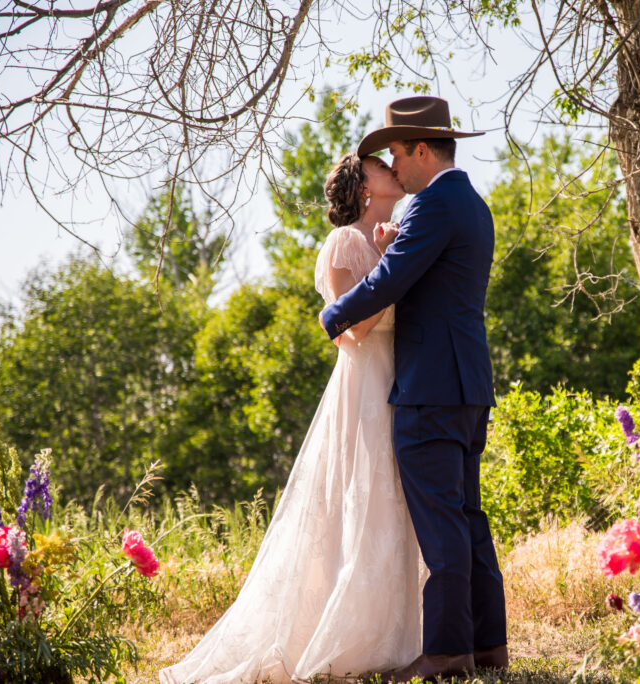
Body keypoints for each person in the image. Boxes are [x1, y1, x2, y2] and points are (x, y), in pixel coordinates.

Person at [159, 153, 420, 683]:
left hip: (402, 379)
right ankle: (341, 638)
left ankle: (394, 635)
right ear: (363, 187)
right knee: (360, 498)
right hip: (365, 384)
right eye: (377, 164)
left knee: (393, 501)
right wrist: (392, 267)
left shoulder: (396, 237)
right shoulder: (346, 242)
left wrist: (396, 257)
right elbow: (352, 331)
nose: (391, 167)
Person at [319, 95, 508, 682]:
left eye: (398, 154)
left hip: (430, 387)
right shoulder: (473, 205)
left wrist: (331, 317)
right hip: (469, 383)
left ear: (422, 149)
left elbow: (391, 278)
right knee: (469, 517)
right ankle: (488, 645)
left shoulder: (432, 206)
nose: (394, 167)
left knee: (441, 523)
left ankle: (447, 651)